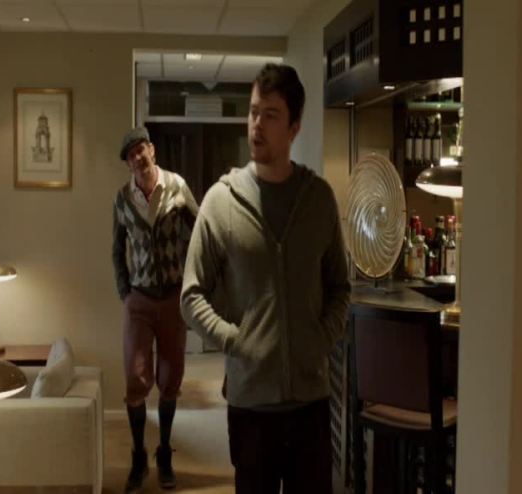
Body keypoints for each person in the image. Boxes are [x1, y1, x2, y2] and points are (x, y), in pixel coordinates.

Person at [180, 63, 350, 493]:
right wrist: (236, 342)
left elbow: (340, 287)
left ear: (294, 128)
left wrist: (320, 339)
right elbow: (191, 294)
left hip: (311, 404)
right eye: (254, 111)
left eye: (270, 115)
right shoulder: (221, 202)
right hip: (251, 408)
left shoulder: (318, 200)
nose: (257, 124)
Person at [112, 126, 198, 492]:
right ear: (128, 164)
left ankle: (164, 454)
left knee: (170, 377)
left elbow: (199, 231)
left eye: (140, 150)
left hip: (173, 297)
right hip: (140, 300)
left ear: (152, 150)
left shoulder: (176, 185)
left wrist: (193, 280)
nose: (137, 158)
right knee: (135, 378)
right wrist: (125, 292)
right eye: (131, 155)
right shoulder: (122, 199)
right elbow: (117, 249)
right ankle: (138, 456)